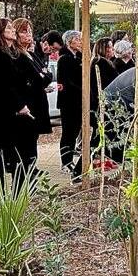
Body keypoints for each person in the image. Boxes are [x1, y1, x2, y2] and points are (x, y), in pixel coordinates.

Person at [0, 18, 50, 183]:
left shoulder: (12, 52)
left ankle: (14, 194)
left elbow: (35, 77)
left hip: (11, 112)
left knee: (13, 155)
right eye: (9, 27)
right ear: (0, 31)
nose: (12, 30)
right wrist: (19, 105)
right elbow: (2, 84)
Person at [57, 30, 83, 173]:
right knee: (68, 132)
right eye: (77, 39)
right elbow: (66, 82)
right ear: (69, 41)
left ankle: (70, 158)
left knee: (74, 131)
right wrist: (81, 89)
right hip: (68, 101)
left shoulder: (77, 57)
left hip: (78, 101)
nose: (80, 41)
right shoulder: (64, 59)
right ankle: (65, 161)